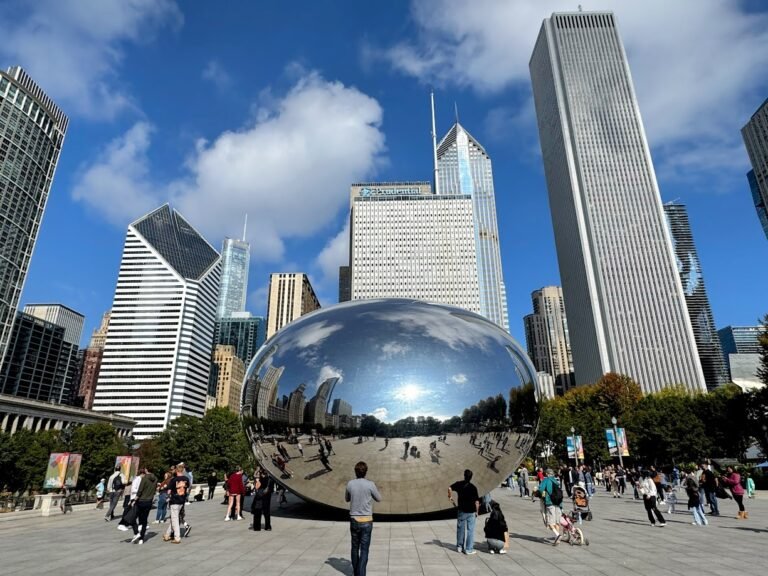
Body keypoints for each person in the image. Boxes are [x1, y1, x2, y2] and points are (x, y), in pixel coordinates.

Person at [346, 461, 381, 576]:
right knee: (364, 550)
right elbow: (379, 498)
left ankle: (357, 573)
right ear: (366, 472)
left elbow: (347, 499)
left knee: (354, 548)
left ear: (355, 472)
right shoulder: (370, 484)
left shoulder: (350, 483)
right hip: (366, 520)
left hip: (354, 520)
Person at [448, 469, 480, 555]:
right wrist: (477, 511)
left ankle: (459, 546)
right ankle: (469, 549)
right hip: (471, 511)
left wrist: (450, 496)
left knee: (460, 529)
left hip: (462, 510)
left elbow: (450, 488)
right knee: (470, 530)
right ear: (471, 477)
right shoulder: (473, 487)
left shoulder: (459, 484)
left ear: (464, 475)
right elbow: (477, 502)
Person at [163, 465, 190, 543]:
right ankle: (167, 534)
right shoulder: (186, 479)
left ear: (177, 471)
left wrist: (167, 496)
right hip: (182, 500)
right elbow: (187, 489)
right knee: (174, 519)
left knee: (175, 519)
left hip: (174, 501)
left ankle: (177, 537)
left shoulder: (173, 480)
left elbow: (168, 491)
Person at [130, 469, 157, 545]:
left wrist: (134, 500)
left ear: (146, 471)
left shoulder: (144, 479)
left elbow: (140, 490)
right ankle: (141, 538)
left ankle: (136, 533)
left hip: (141, 501)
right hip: (149, 501)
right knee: (144, 520)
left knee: (132, 517)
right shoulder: (155, 479)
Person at [538, 468, 562, 545]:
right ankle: (557, 539)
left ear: (547, 474)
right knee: (557, 521)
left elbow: (541, 490)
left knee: (550, 522)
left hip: (550, 502)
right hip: (558, 503)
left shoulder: (546, 480)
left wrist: (542, 496)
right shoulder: (556, 481)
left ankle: (557, 535)